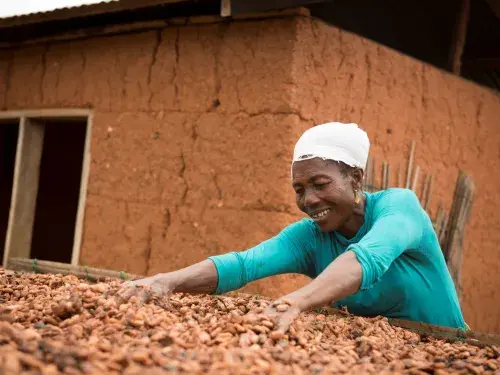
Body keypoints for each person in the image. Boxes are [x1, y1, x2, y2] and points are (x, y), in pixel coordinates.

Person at [118, 122, 466, 333]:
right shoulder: (310, 237)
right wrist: (166, 281)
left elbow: (368, 257)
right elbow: (243, 264)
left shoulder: (398, 207)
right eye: (300, 190)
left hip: (450, 354)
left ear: (356, 178)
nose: (309, 200)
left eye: (320, 183)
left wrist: (295, 302)